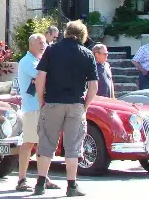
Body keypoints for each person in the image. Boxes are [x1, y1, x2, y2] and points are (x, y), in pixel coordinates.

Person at [34, 20, 98, 197]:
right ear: (82, 34)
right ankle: (71, 186)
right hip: (75, 104)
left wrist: (41, 101)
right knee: (73, 147)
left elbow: (40, 78)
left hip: (53, 102)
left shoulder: (51, 50)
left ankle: (40, 183)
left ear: (66, 32)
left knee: (46, 143)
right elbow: (93, 87)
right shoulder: (87, 54)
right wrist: (84, 106)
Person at [14, 33, 58, 192]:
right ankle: (21, 179)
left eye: (45, 43)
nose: (43, 45)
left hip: (42, 108)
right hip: (32, 109)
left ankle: (43, 177)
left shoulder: (40, 61)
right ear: (31, 45)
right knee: (28, 143)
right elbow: (44, 77)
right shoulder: (27, 62)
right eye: (39, 42)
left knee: (43, 144)